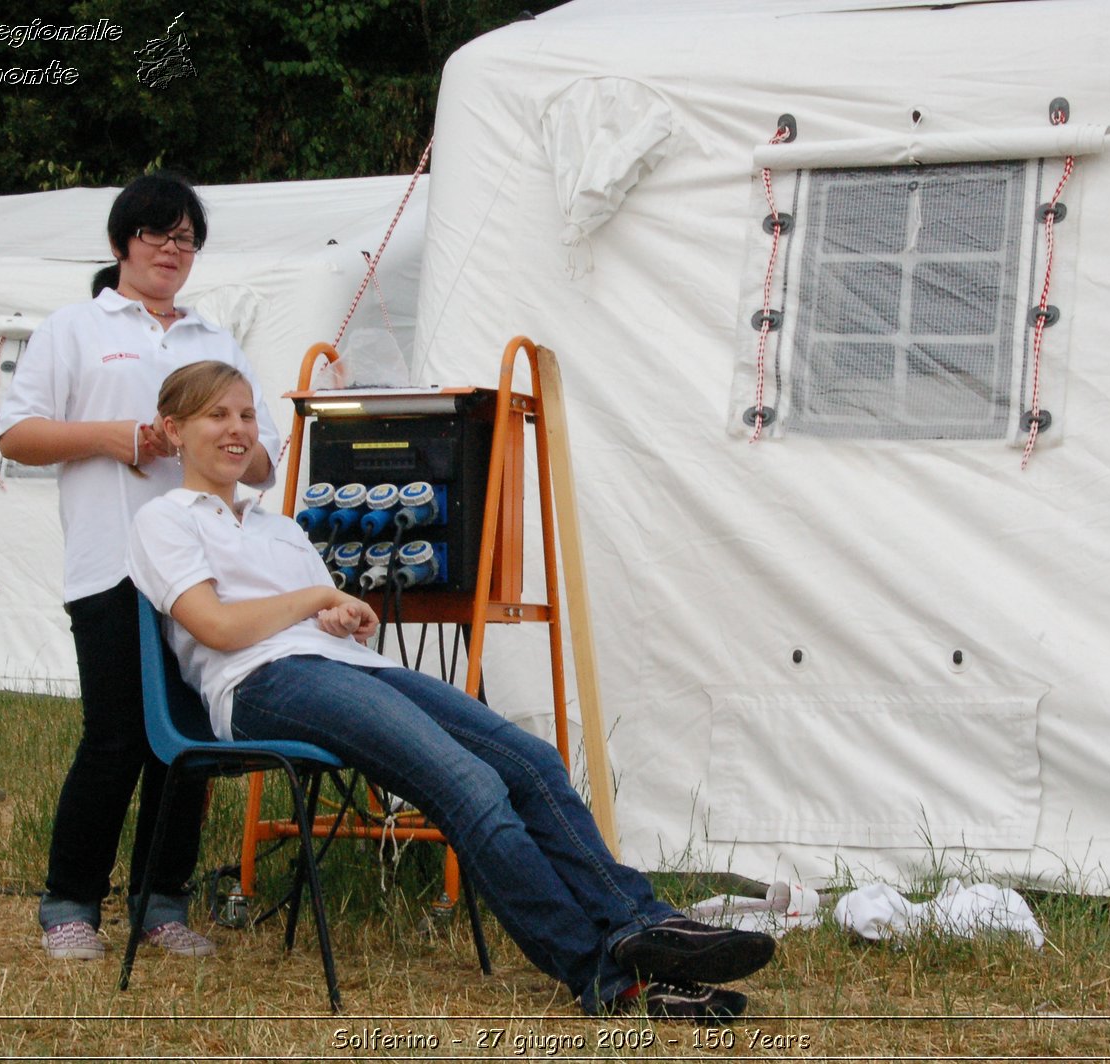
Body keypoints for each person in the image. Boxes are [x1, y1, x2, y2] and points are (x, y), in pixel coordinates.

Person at [125, 360, 776, 1021]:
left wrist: (339, 614)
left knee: (530, 760)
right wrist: (319, 595)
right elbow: (216, 626)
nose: (236, 430)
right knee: (469, 786)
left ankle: (641, 923)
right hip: (264, 683)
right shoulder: (165, 520)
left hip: (346, 666)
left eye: (244, 415)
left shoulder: (279, 527)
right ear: (173, 430)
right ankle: (606, 974)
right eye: (217, 416)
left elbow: (307, 615)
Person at [0, 174, 281, 960]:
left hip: (202, 570)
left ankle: (162, 906)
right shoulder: (76, 328)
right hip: (109, 562)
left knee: (186, 739)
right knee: (116, 736)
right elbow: (16, 436)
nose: (171, 251)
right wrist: (124, 437)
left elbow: (260, 462)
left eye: (186, 239)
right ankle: (70, 905)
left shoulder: (214, 341)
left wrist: (226, 443)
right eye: (157, 235)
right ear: (123, 242)